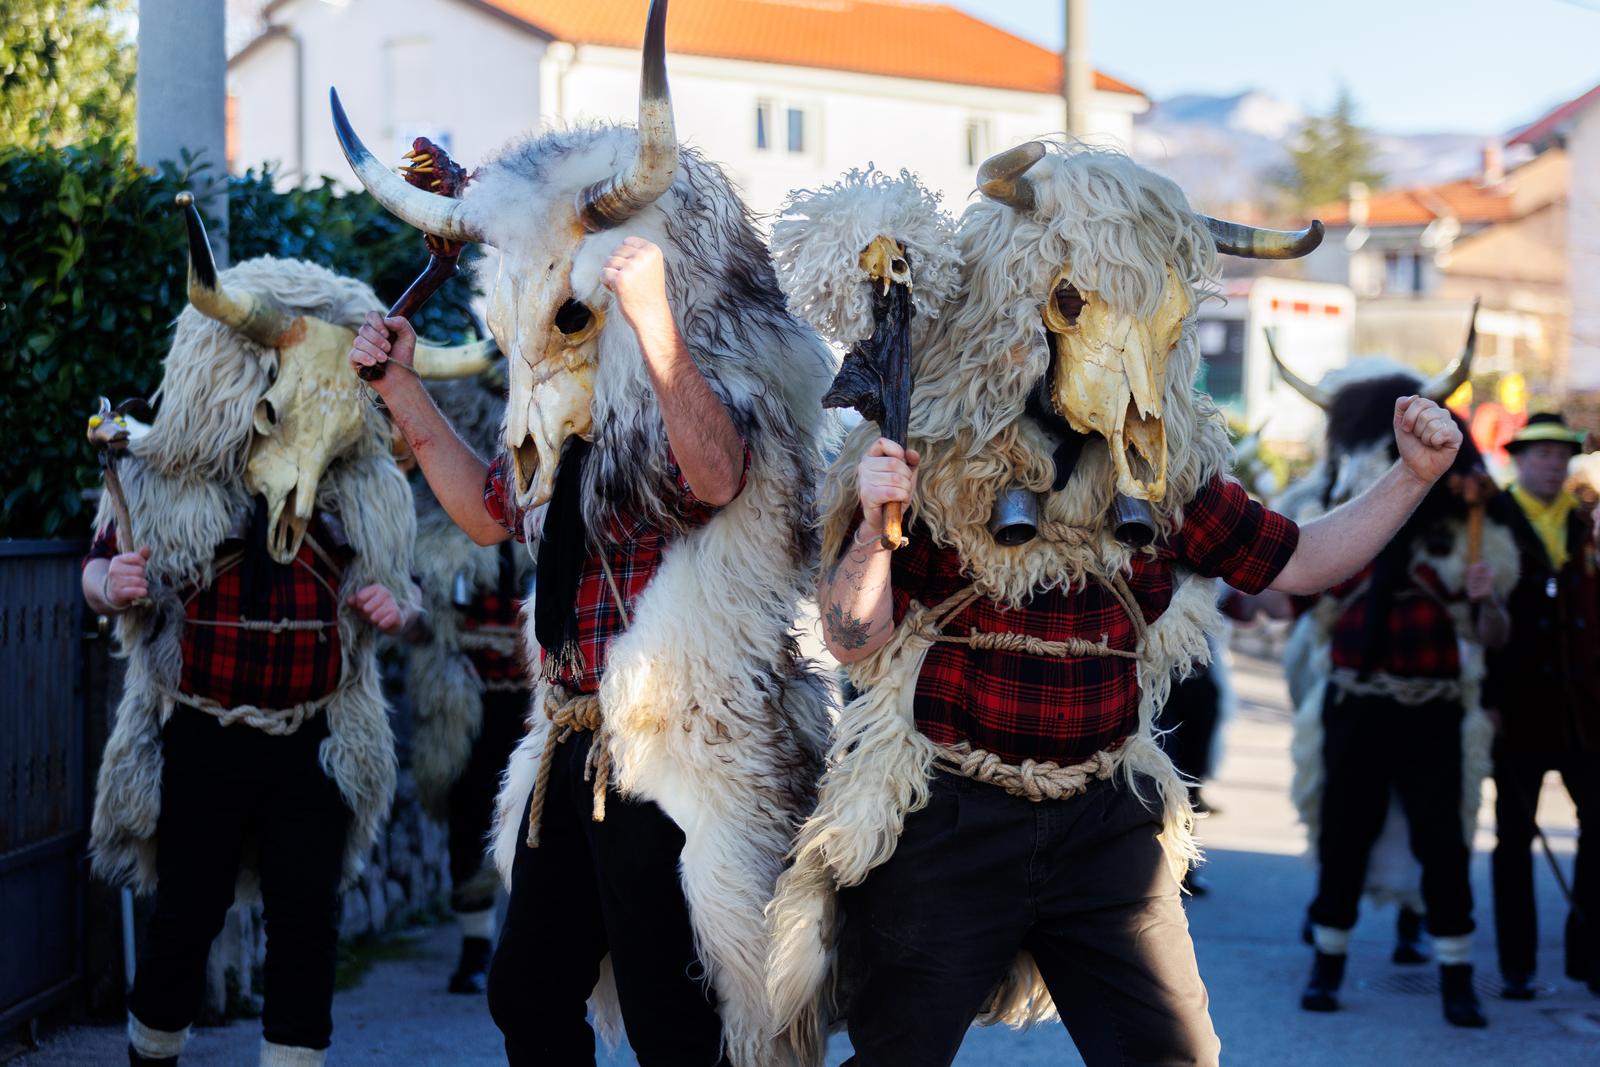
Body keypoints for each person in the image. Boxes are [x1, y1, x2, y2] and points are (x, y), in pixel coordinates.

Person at [766, 142, 1461, 1067]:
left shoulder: (1169, 478)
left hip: (1106, 823)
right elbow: (853, 639)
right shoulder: (928, 454)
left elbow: (1299, 560)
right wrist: (874, 530)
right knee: (894, 1057)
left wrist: (1414, 478)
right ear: (1027, 313)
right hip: (946, 814)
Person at [337, 6, 833, 1060]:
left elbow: (716, 473)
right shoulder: (567, 419)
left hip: (677, 748)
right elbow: (485, 511)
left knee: (673, 1017)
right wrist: (398, 387)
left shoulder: (707, 387)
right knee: (527, 991)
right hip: (570, 739)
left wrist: (651, 324)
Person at [88, 200, 421, 1067]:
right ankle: (150, 1052)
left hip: (313, 736)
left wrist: (398, 609)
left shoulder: (366, 490)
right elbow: (97, 569)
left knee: (307, 918)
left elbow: (408, 599)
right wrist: (109, 582)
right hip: (200, 730)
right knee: (184, 918)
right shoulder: (161, 474)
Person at [399, 374, 534, 995]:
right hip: (467, 692)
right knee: (467, 807)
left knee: (538, 815)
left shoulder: (544, 507)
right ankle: (476, 942)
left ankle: (527, 938)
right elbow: (420, 611)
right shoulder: (437, 524)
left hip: (537, 695)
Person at [1485, 412, 1600, 999]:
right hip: (1517, 708)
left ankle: (1588, 955)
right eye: (1541, 454)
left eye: (1561, 455)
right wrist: (1486, 701)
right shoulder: (1490, 520)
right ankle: (1518, 964)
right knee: (1513, 839)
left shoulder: (1584, 524)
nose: (1553, 464)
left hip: (1583, 711)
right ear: (1518, 459)